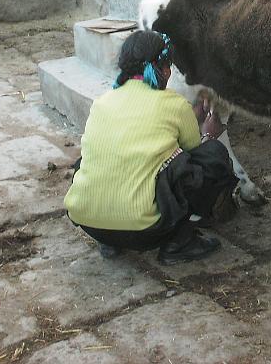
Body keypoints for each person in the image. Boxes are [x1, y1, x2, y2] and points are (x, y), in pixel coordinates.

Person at [64, 30, 239, 264]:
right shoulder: (174, 104)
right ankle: (179, 242)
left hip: (89, 224)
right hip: (146, 231)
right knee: (212, 157)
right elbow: (193, 155)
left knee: (87, 163)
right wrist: (209, 133)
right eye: (170, 66)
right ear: (164, 68)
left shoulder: (102, 102)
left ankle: (110, 241)